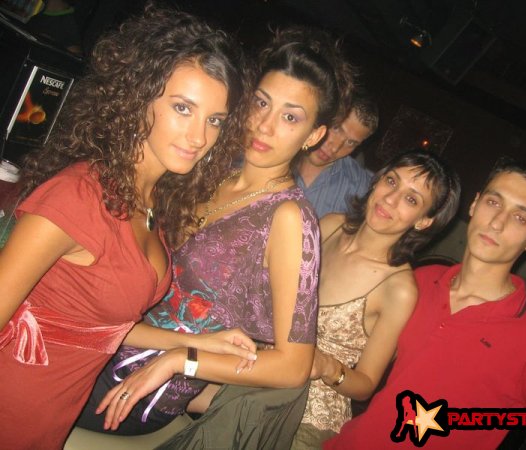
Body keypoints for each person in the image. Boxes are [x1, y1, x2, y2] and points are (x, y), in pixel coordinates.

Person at [75, 26, 355, 446]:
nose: (265, 125)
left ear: (313, 135)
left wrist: (180, 361)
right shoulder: (208, 170)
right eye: (261, 102)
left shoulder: (290, 219)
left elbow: (293, 366)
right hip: (103, 338)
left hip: (136, 388)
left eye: (290, 117)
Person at [0, 7, 255, 449]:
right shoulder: (77, 197)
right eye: (182, 108)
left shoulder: (151, 201)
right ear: (139, 98)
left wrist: (200, 343)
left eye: (214, 120)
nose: (199, 137)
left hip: (51, 418)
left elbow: (100, 322)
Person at [325, 157, 526, 450]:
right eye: (493, 202)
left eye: (520, 218)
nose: (497, 223)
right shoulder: (421, 282)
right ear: (474, 204)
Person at [291, 149, 461, 449]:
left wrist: (326, 366)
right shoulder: (330, 225)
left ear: (424, 221)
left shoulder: (398, 288)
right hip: (263, 372)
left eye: (411, 200)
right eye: (392, 181)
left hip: (309, 415)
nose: (391, 199)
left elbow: (366, 385)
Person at [294, 88, 378, 218]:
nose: (335, 148)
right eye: (336, 128)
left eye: (350, 142)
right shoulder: (280, 147)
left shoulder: (358, 185)